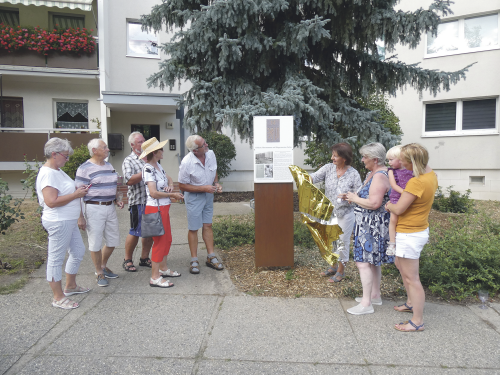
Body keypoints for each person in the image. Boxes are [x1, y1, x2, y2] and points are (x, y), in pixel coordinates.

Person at [385, 143, 437, 332]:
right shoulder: (430, 174)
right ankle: (410, 303)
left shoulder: (416, 182)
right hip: (417, 229)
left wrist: (389, 206)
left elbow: (398, 208)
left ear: (413, 161)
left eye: (405, 162)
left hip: (409, 232)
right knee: (401, 266)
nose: (402, 165)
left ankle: (417, 321)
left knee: (412, 278)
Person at [36, 138, 90, 309]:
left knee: (78, 250)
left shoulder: (57, 170)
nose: (67, 159)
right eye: (65, 156)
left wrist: (78, 193)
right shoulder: (48, 173)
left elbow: (68, 192)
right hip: (58, 221)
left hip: (68, 219)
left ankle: (70, 286)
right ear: (54, 154)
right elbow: (51, 201)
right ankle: (58, 297)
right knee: (56, 259)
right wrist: (76, 195)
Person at [345, 142, 393, 315]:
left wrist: (354, 198)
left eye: (365, 157)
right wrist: (354, 197)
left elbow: (374, 203)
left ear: (375, 159)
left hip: (371, 225)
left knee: (363, 262)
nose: (362, 159)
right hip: (369, 223)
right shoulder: (374, 173)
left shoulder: (379, 176)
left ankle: (366, 304)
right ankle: (375, 295)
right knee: (372, 263)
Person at [309, 143, 362, 282]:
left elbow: (360, 193)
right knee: (331, 240)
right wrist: (302, 178)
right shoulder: (328, 168)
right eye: (332, 155)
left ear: (344, 158)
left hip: (346, 213)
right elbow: (313, 177)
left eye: (335, 155)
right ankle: (332, 266)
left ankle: (341, 271)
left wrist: (350, 196)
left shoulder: (353, 173)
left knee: (343, 242)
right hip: (330, 213)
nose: (332, 158)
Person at [75, 139, 124, 287]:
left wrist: (116, 199)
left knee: (113, 240)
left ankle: (102, 266)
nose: (108, 149)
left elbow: (113, 185)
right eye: (104, 147)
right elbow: (77, 194)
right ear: (95, 150)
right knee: (95, 242)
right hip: (93, 207)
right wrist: (80, 216)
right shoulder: (84, 169)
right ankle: (99, 272)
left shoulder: (108, 165)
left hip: (110, 207)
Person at [139, 137, 184, 287]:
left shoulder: (157, 165)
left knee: (168, 239)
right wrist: (172, 195)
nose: (163, 151)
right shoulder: (148, 168)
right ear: (155, 152)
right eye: (160, 149)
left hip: (163, 208)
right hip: (155, 209)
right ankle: (155, 276)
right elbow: (153, 193)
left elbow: (168, 177)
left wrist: (170, 185)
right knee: (159, 242)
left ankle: (163, 269)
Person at [178, 135, 224, 274]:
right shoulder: (187, 162)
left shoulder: (210, 154)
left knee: (208, 225)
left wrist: (216, 183)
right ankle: (194, 259)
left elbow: (214, 169)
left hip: (208, 195)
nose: (207, 144)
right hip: (194, 197)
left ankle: (211, 257)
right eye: (204, 144)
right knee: (193, 228)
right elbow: (182, 185)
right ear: (195, 150)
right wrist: (203, 188)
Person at [121, 131, 154, 272]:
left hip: (152, 201)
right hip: (138, 202)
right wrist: (146, 169)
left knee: (150, 232)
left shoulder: (150, 157)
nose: (143, 143)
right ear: (132, 145)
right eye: (140, 141)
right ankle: (127, 259)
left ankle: (144, 258)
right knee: (135, 231)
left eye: (144, 140)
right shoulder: (129, 160)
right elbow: (128, 180)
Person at [386, 145, 414, 256]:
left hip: (410, 196)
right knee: (393, 219)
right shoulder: (391, 172)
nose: (389, 162)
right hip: (397, 197)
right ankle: (392, 243)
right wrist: (405, 194)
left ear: (401, 159)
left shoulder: (411, 170)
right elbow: (393, 185)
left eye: (391, 160)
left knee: (411, 215)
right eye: (388, 160)